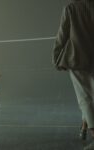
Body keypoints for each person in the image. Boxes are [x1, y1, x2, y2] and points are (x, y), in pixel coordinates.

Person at [53, 0, 94, 149]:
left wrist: (56, 58)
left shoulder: (71, 8)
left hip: (77, 59)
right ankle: (84, 126)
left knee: (85, 98)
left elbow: (62, 35)